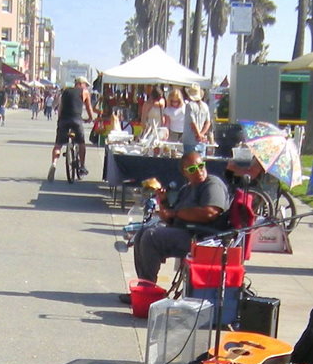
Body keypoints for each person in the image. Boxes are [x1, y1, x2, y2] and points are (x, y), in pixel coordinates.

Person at [119, 151, 230, 303]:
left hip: (204, 237)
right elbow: (174, 216)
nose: (198, 171)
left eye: (201, 166)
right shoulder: (187, 189)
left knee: (151, 237)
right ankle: (145, 287)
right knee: (143, 233)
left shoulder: (212, 184)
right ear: (184, 173)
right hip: (186, 231)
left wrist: (175, 213)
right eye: (192, 169)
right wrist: (164, 204)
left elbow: (210, 213)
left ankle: (147, 290)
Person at [47, 76, 95, 181]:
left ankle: (54, 163)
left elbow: (60, 107)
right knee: (81, 143)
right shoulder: (85, 92)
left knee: (58, 145)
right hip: (76, 120)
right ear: (81, 84)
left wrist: (60, 120)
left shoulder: (65, 91)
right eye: (86, 84)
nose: (86, 86)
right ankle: (82, 166)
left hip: (64, 120)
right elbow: (88, 107)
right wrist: (90, 118)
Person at [181, 84, 211, 155]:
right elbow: (208, 122)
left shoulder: (189, 105)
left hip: (190, 140)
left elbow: (192, 123)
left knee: (190, 163)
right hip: (202, 141)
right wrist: (202, 134)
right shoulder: (205, 106)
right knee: (200, 163)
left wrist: (198, 135)